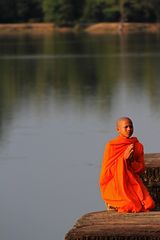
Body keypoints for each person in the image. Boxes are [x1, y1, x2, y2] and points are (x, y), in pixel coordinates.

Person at [99, 117, 155, 213]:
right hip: (116, 183)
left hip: (132, 182)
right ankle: (112, 203)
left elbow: (141, 168)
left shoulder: (137, 145)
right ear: (118, 129)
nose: (129, 129)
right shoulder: (112, 146)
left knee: (149, 204)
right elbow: (106, 173)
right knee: (130, 206)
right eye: (126, 127)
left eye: (131, 126)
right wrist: (123, 160)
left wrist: (131, 161)